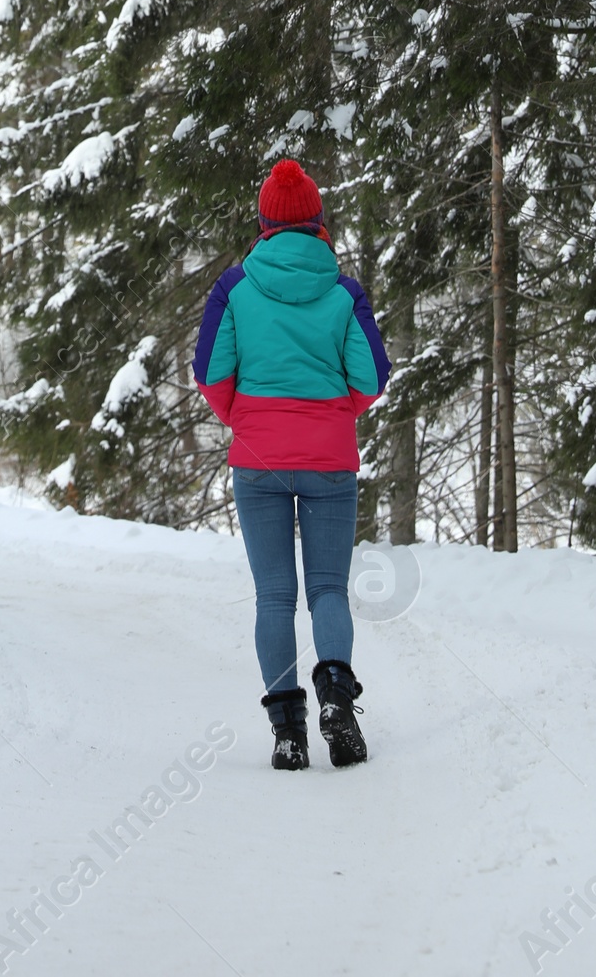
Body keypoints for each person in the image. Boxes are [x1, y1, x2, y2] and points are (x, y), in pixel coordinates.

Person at [192, 158, 391, 771]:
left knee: (274, 597)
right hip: (330, 458)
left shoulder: (234, 288)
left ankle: (287, 732)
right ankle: (337, 696)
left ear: (264, 223)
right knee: (328, 589)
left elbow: (210, 374)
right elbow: (372, 377)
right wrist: (335, 416)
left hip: (258, 460)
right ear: (318, 222)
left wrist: (246, 422)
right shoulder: (343, 292)